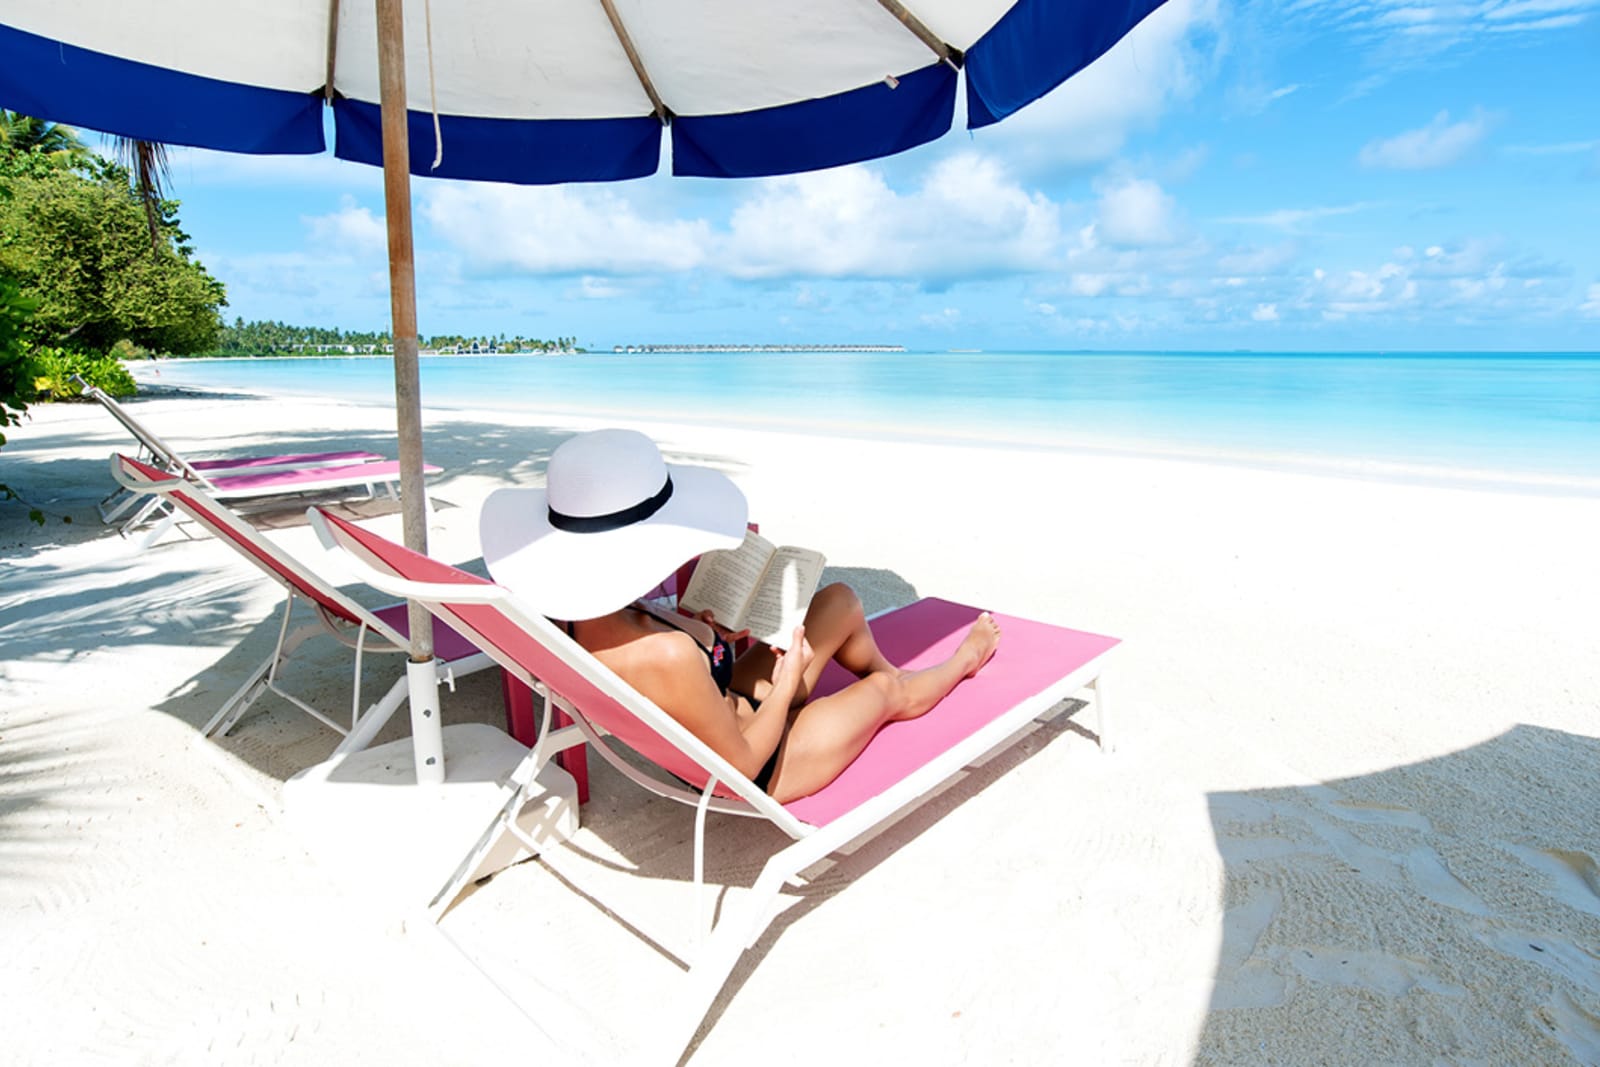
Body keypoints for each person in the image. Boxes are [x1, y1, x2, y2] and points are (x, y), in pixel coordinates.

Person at [480, 428, 1000, 803]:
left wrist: (709, 634)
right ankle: (961, 663)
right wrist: (790, 678)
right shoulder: (668, 653)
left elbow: (662, 672)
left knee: (838, 600)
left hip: (720, 711)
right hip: (758, 766)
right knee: (883, 695)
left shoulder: (572, 610)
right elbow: (743, 761)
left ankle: (891, 676)